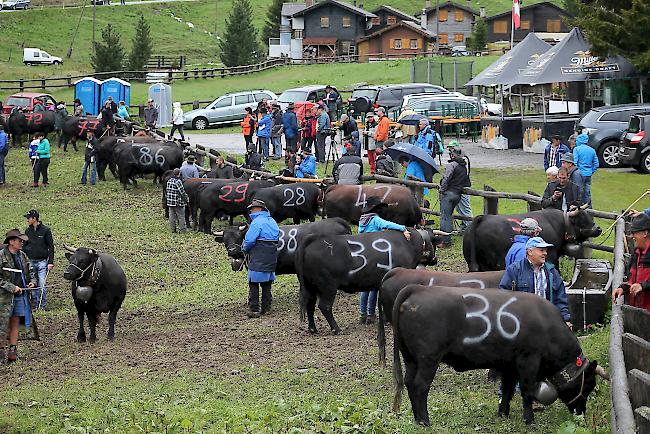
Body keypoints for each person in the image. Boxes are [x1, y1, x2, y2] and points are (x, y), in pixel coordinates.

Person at [357, 197, 411, 324]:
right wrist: (402, 228)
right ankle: (371, 314)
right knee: (374, 287)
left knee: (365, 287)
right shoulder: (375, 219)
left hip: (364, 255)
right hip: (375, 256)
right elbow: (386, 224)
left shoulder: (363, 220)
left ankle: (362, 313)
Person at [500, 236, 572, 328]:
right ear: (530, 252)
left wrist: (565, 319)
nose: (545, 253)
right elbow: (504, 296)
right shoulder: (514, 270)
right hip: (523, 323)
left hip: (548, 322)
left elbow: (560, 298)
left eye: (545, 250)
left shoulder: (551, 271)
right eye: (541, 250)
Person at [0, 229, 37, 363]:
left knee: (15, 322)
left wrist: (32, 282)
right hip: (4, 298)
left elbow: (31, 270)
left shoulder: (23, 256)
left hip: (21, 296)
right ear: (11, 242)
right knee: (2, 325)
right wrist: (12, 287)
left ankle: (13, 352)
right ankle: (1, 352)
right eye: (19, 240)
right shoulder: (1, 256)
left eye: (22, 241)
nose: (22, 243)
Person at [242, 199, 280, 318]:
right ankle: (266, 307)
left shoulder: (257, 222)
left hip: (259, 253)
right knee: (267, 282)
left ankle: (254, 308)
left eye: (253, 208)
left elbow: (249, 240)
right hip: (271, 253)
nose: (251, 211)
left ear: (259, 209)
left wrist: (244, 249)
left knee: (253, 281)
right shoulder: (272, 221)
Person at [612, 213, 650, 311]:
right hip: (638, 314)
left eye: (635, 233)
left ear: (645, 233)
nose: (632, 236)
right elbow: (633, 282)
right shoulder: (636, 254)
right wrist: (623, 289)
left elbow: (640, 285)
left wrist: (643, 286)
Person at [438, 146, 471, 247]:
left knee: (445, 218)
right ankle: (447, 237)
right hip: (457, 195)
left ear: (452, 155)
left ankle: (445, 241)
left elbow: (446, 178)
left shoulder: (452, 165)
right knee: (448, 216)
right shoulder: (463, 167)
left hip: (449, 194)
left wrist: (441, 190)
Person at [23, 210, 54, 310]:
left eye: (29, 218)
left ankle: (42, 306)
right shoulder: (28, 231)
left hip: (42, 262)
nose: (27, 220)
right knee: (33, 283)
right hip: (31, 261)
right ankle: (35, 305)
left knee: (41, 283)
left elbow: (51, 247)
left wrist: (50, 262)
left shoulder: (46, 230)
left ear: (34, 219)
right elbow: (25, 246)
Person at [446, 142, 472, 232]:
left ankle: (470, 229)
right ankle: (464, 226)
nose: (450, 151)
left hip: (464, 185)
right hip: (458, 186)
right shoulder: (456, 157)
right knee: (459, 208)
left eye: (451, 148)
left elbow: (465, 172)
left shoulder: (463, 158)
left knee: (465, 208)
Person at [573, 133, 599, 208]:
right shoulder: (592, 150)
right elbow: (596, 164)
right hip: (588, 174)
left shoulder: (577, 149)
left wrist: (577, 171)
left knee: (579, 191)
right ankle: (589, 207)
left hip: (579, 174)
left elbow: (575, 162)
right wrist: (591, 171)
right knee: (587, 192)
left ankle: (578, 207)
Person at [165, 168, 189, 233]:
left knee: (172, 217)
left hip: (170, 202)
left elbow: (167, 191)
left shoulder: (169, 180)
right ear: (179, 174)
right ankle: (183, 230)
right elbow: (182, 192)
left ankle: (173, 229)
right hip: (178, 202)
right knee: (181, 217)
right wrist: (186, 199)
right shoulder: (178, 182)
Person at [372, 108, 390, 173]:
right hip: (380, 140)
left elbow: (383, 132)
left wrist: (378, 138)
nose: (377, 113)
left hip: (381, 141)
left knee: (381, 156)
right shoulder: (382, 120)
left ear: (381, 112)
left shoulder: (384, 120)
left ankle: (381, 170)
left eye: (378, 111)